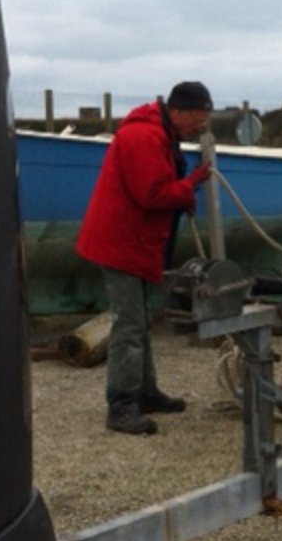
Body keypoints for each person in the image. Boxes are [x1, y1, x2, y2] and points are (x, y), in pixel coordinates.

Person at [76, 82, 214, 435]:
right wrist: (189, 184)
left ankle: (144, 392)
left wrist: (183, 191)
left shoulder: (155, 133)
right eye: (197, 119)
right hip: (122, 242)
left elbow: (154, 190)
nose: (198, 126)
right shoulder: (144, 136)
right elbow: (152, 195)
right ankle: (121, 404)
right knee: (129, 324)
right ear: (178, 111)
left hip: (130, 240)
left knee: (138, 321)